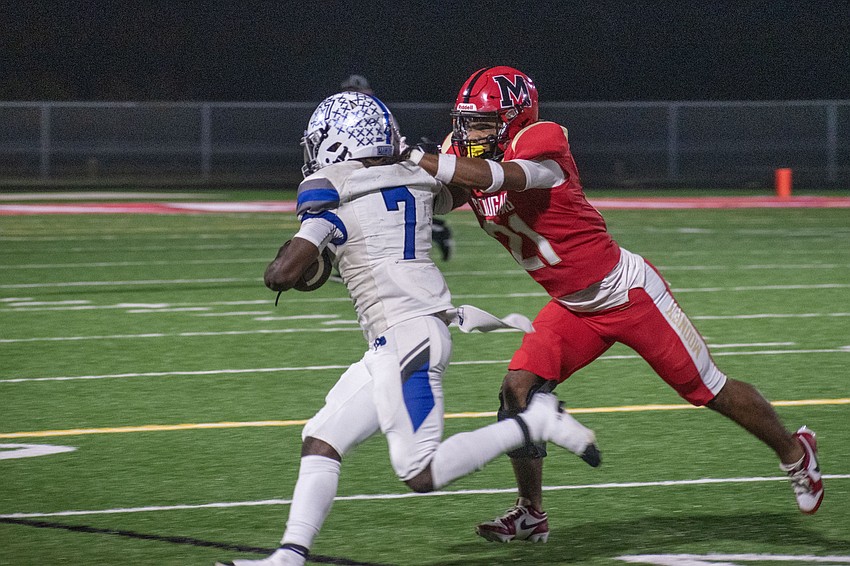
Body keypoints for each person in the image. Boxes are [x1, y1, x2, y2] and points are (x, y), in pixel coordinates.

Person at [406, 66, 824, 543]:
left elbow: (503, 177)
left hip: (626, 294)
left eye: (483, 123)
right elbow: (448, 196)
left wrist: (421, 158)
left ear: (515, 119)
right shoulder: (466, 153)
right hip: (572, 306)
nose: (471, 134)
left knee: (708, 388)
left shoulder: (542, 140)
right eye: (467, 123)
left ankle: (796, 453)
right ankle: (531, 512)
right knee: (516, 392)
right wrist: (402, 178)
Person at [216, 91, 601, 566]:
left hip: (407, 338)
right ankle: (290, 556)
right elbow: (460, 190)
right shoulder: (412, 175)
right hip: (398, 340)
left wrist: (314, 232)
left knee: (419, 471)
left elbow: (280, 276)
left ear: (338, 143)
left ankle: (535, 422)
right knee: (322, 438)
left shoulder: (330, 187)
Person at [340, 73, 455, 261]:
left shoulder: (377, 114)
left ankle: (436, 229)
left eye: (357, 92)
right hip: (370, 169)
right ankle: (437, 229)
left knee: (374, 216)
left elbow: (392, 146)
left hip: (378, 169)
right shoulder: (359, 115)